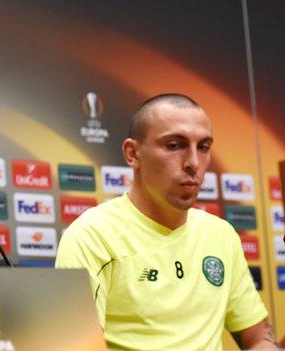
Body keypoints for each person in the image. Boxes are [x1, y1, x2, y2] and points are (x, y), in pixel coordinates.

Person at [55, 94, 278, 350]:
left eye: (203, 147)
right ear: (132, 154)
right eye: (175, 145)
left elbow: (259, 337)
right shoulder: (92, 236)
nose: (194, 163)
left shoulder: (221, 235)